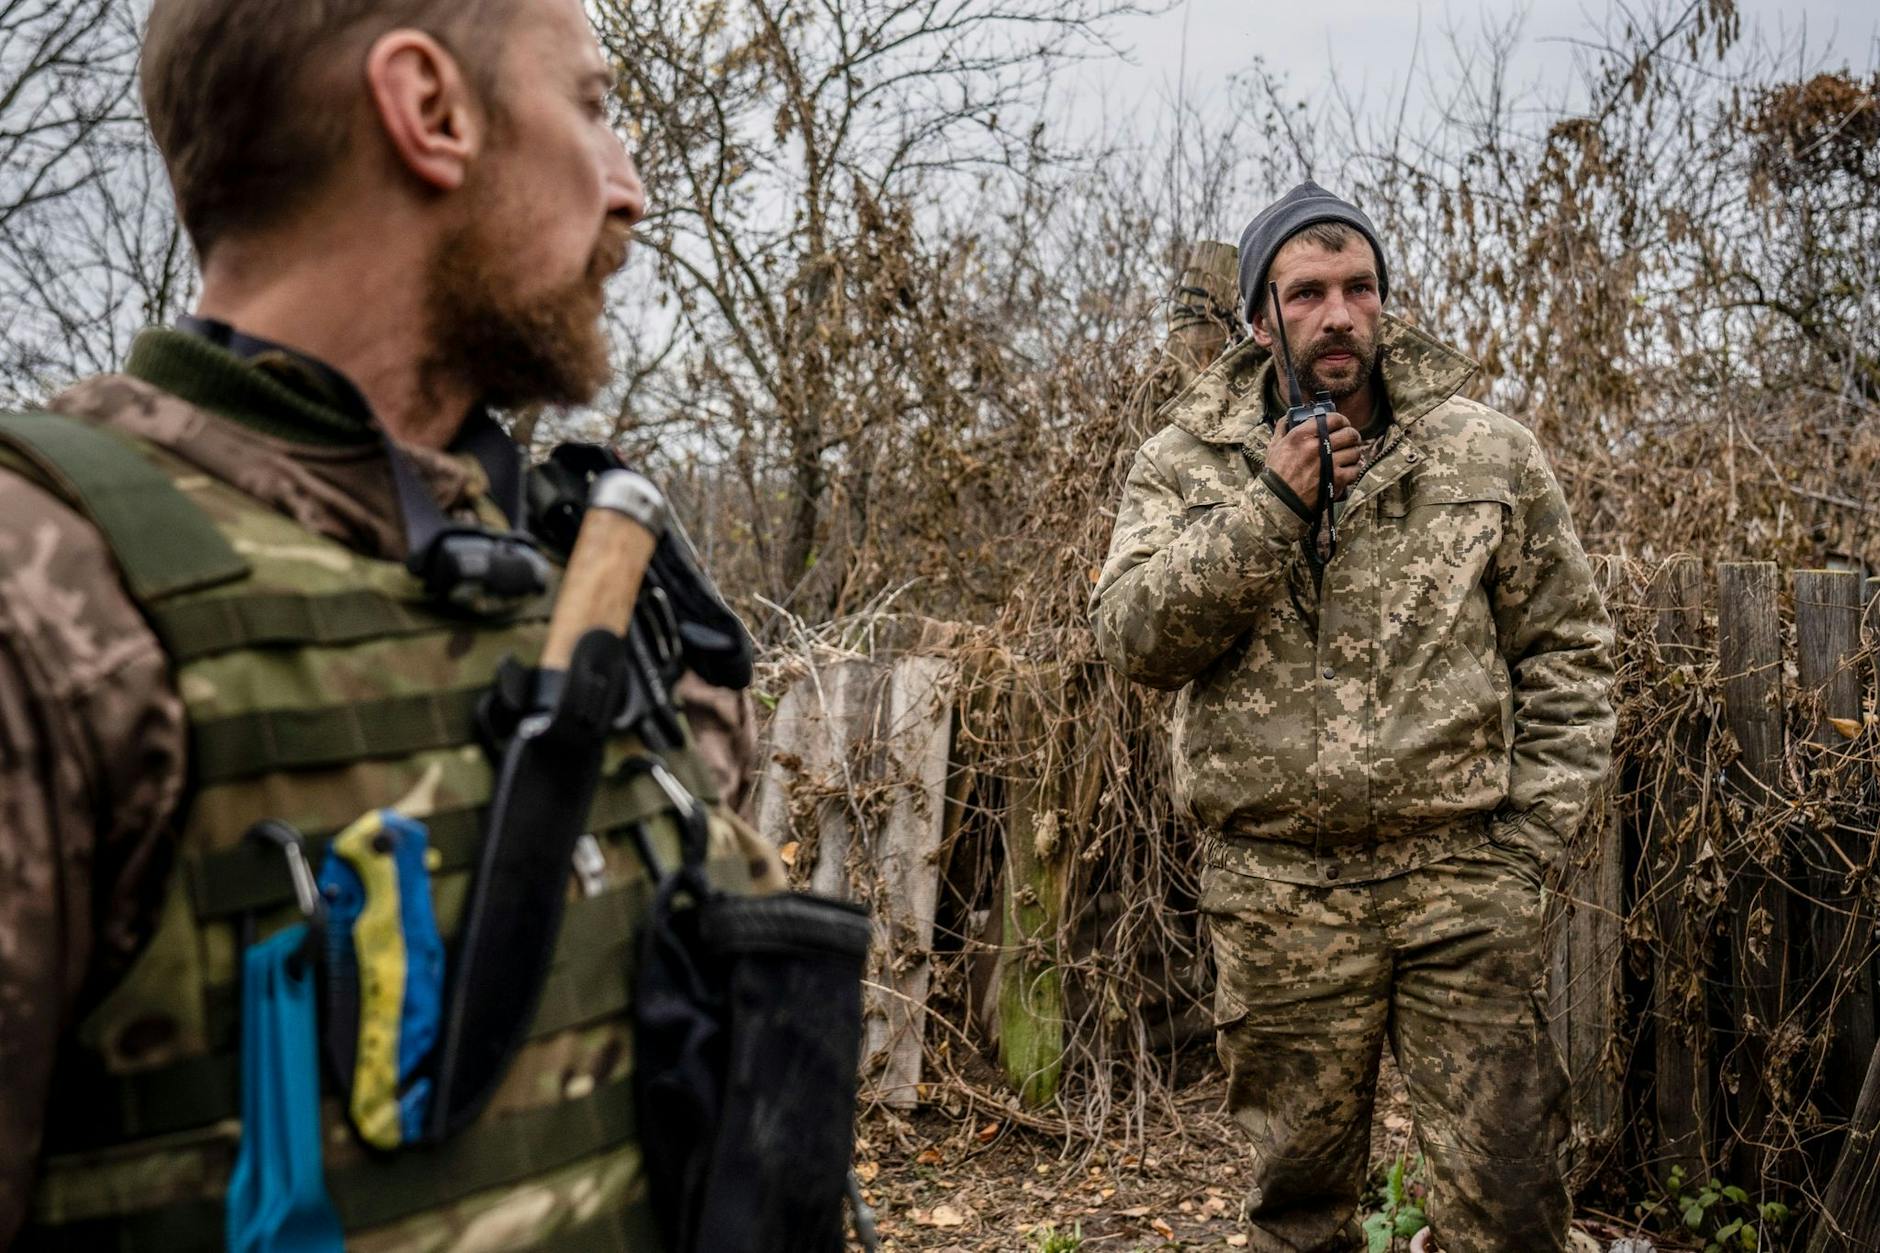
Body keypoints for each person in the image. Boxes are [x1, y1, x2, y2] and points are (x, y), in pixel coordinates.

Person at [0, 0, 774, 1247]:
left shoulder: (580, 582)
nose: (627, 190)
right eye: (588, 104)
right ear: (428, 110)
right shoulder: (44, 601)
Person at [1092, 181, 1616, 1252]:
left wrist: (1523, 845)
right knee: (1299, 1211)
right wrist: (1271, 506)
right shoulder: (1183, 460)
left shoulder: (1482, 451)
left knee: (1510, 1197)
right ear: (1258, 318)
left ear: (1382, 300)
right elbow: (1136, 640)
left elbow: (1568, 653)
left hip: (1460, 887)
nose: (1338, 314)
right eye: (1307, 292)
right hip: (1278, 895)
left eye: (1358, 287)